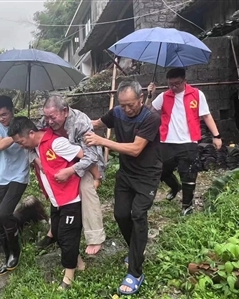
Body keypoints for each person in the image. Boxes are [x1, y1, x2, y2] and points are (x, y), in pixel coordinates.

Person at [86, 80, 161, 295]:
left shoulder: (151, 118)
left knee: (138, 215)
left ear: (140, 99)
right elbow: (97, 123)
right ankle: (137, 250)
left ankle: (135, 271)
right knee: (120, 214)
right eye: (123, 104)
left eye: (131, 105)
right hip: (126, 174)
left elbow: (136, 149)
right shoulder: (117, 112)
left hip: (147, 175)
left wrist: (103, 142)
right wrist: (73, 122)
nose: (126, 109)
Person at [8, 116, 99, 289]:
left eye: (21, 142)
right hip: (57, 200)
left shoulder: (57, 144)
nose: (21, 146)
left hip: (71, 199)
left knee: (67, 236)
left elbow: (84, 155)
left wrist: (96, 176)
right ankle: (79, 263)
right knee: (57, 232)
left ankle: (68, 277)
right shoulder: (37, 147)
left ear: (32, 133)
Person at [34, 95, 106, 255]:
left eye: (52, 117)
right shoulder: (45, 121)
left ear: (65, 111)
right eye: (46, 117)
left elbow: (91, 157)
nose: (49, 122)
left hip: (85, 161)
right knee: (54, 187)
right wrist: (38, 161)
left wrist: (71, 171)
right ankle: (54, 231)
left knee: (86, 189)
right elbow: (33, 140)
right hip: (61, 159)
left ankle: (95, 237)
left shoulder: (81, 122)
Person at [146, 68, 222, 215]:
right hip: (167, 141)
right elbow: (148, 111)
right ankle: (175, 187)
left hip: (189, 141)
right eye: (170, 84)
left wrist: (216, 136)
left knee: (188, 174)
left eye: (177, 84)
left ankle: (186, 206)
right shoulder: (164, 96)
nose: (174, 87)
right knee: (161, 170)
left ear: (185, 81)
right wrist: (150, 95)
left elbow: (206, 116)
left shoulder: (196, 94)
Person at [0, 95, 29, 275]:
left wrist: (23, 130)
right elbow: (1, 145)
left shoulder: (23, 123)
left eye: (4, 114)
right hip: (1, 177)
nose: (2, 118)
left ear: (12, 111)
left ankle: (16, 252)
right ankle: (7, 255)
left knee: (5, 213)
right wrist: (16, 133)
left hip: (19, 177)